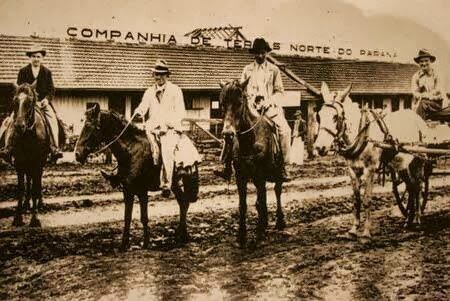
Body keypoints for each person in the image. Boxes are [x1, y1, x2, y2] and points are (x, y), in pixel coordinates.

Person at [103, 59, 186, 197]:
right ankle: (122, 175)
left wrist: (167, 125)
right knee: (136, 146)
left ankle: (166, 183)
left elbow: (180, 112)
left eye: (161, 74)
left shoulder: (176, 91)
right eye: (156, 74)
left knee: (166, 149)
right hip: (152, 127)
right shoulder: (149, 91)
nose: (158, 77)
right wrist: (138, 111)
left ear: (167, 75)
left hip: (170, 129)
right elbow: (143, 106)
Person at [215, 38, 292, 181]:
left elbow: (279, 92)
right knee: (230, 128)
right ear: (254, 54)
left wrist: (268, 102)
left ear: (267, 53)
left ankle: (284, 167)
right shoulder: (247, 69)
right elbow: (241, 90)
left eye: (263, 53)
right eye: (258, 53)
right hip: (251, 107)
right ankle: (225, 164)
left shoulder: (274, 70)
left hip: (270, 109)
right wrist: (251, 101)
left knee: (285, 131)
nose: (260, 56)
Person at [0, 44, 63, 163]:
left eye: (38, 56)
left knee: (53, 119)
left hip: (42, 103)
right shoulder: (23, 71)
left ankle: (54, 147)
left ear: (42, 58)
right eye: (33, 56)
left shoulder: (47, 72)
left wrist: (47, 100)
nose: (36, 59)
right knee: (10, 121)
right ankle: (7, 148)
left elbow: (51, 89)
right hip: (25, 104)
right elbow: (18, 90)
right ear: (30, 58)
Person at [411, 49, 449, 120]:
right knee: (417, 107)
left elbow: (438, 91)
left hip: (437, 105)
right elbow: (414, 92)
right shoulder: (416, 76)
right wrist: (420, 95)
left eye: (426, 61)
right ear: (419, 63)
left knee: (423, 103)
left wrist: (427, 95)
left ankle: (420, 126)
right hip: (421, 105)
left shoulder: (437, 75)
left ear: (430, 61)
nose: (424, 63)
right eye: (421, 61)